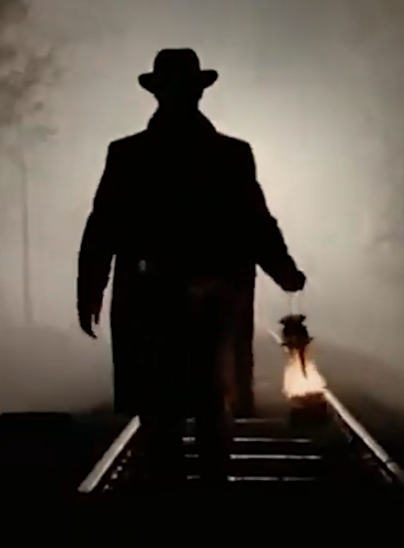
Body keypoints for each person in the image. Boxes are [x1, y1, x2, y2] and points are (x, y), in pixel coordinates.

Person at [77, 48, 306, 487]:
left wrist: (91, 287)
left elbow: (103, 226)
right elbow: (255, 222)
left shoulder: (128, 155)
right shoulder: (230, 155)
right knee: (210, 404)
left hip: (150, 302)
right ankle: (208, 503)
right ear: (197, 94)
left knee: (160, 412)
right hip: (215, 303)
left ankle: (174, 506)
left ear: (158, 95)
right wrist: (285, 271)